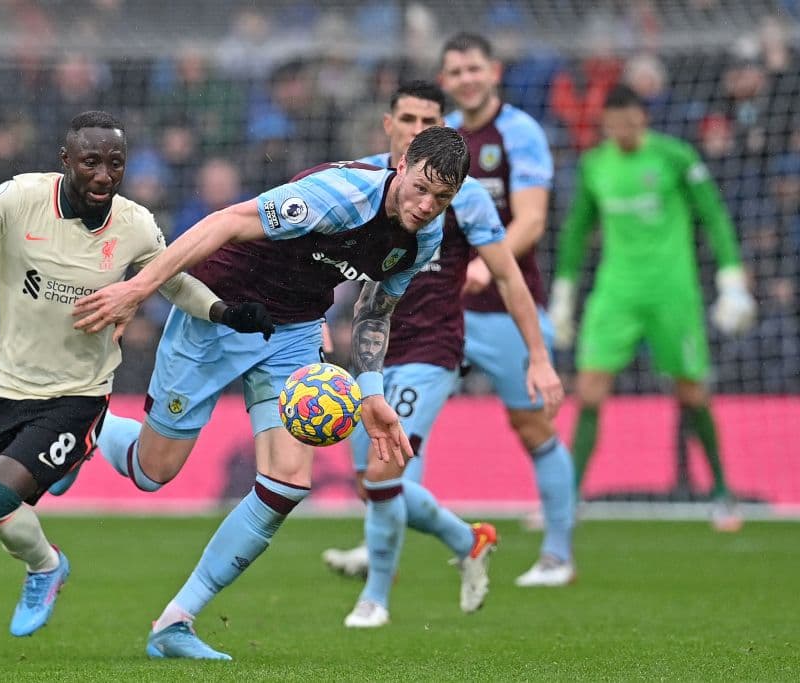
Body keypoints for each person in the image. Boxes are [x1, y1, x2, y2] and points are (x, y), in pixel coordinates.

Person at [52, 125, 473, 660]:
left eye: (443, 198)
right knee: (151, 473)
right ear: (405, 162)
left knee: (288, 482)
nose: (426, 205)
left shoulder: (425, 235)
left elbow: (373, 309)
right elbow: (226, 221)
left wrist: (370, 390)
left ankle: (175, 623)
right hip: (219, 308)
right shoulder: (337, 198)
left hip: (293, 331)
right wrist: (138, 290)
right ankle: (81, 429)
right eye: (422, 187)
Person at [0, 111, 273, 658]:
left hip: (77, 395)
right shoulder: (21, 198)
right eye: (92, 162)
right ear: (66, 161)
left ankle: (47, 565)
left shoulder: (133, 224)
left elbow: (173, 282)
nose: (104, 174)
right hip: (2, 387)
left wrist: (227, 313)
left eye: (115, 163)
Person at [322, 81, 563, 629]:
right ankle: (467, 539)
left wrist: (538, 355)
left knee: (385, 473)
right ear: (390, 126)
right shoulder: (359, 179)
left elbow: (508, 275)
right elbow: (316, 256)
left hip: (431, 347)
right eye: (408, 118)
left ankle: (375, 599)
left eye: (429, 119)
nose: (417, 128)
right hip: (370, 351)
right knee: (377, 483)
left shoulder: (465, 195)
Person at [549, 85, 757, 531]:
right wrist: (564, 292)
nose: (622, 132)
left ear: (643, 119)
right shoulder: (594, 165)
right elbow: (577, 231)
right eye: (613, 125)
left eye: (630, 123)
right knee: (589, 389)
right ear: (605, 125)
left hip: (672, 291)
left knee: (691, 391)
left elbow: (714, 216)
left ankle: (722, 492)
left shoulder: (675, 157)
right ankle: (570, 498)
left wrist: (732, 279)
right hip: (616, 291)